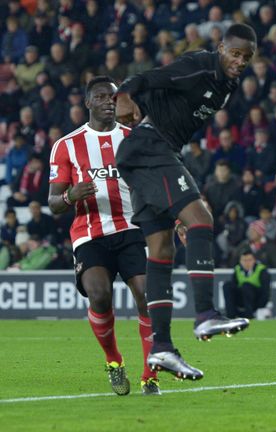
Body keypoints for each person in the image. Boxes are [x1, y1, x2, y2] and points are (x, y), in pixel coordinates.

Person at [113, 24, 257, 380]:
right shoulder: (202, 66)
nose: (239, 62)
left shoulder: (227, 84)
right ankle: (206, 314)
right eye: (235, 53)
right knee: (201, 220)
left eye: (246, 57)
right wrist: (126, 96)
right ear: (221, 47)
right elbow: (150, 77)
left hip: (151, 153)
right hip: (150, 147)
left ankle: (161, 347)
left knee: (161, 250)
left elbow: (167, 102)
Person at [47, 76, 159, 396]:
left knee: (146, 296)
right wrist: (70, 196)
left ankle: (150, 374)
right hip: (89, 233)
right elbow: (53, 202)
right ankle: (113, 361)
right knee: (99, 295)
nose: (109, 101)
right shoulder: (67, 145)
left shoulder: (133, 139)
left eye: (112, 97)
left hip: (130, 228)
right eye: (101, 97)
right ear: (88, 103)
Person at [223, 250, 271, 320]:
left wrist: (259, 307)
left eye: (249, 260)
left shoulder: (261, 270)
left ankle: (249, 315)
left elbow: (265, 292)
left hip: (256, 301)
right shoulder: (237, 269)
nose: (247, 263)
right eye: (244, 260)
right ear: (240, 261)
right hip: (242, 299)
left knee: (246, 286)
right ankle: (230, 315)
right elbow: (234, 286)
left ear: (254, 260)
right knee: (227, 285)